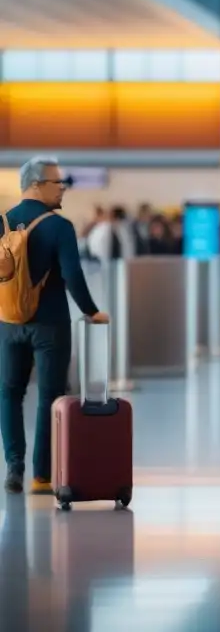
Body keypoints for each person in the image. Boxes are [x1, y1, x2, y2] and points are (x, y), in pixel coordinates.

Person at [1, 156, 108, 495]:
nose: (63, 188)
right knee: (50, 396)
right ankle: (41, 475)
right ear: (35, 185)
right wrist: (92, 312)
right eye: (56, 182)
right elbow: (72, 276)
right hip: (50, 325)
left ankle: (13, 467)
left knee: (9, 393)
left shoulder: (2, 221)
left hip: (8, 322)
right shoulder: (59, 227)